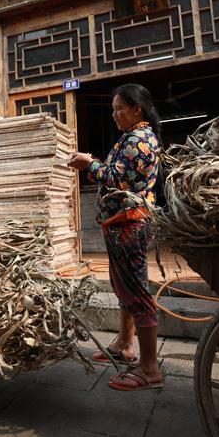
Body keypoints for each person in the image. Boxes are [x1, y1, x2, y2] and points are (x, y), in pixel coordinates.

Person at [68, 83, 163, 391]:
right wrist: (96, 164)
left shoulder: (139, 139)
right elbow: (118, 172)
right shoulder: (131, 137)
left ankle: (149, 369)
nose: (114, 115)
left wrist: (89, 164)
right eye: (113, 109)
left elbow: (117, 179)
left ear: (137, 109)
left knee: (137, 291)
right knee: (124, 286)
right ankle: (124, 344)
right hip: (119, 224)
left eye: (119, 109)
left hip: (129, 225)